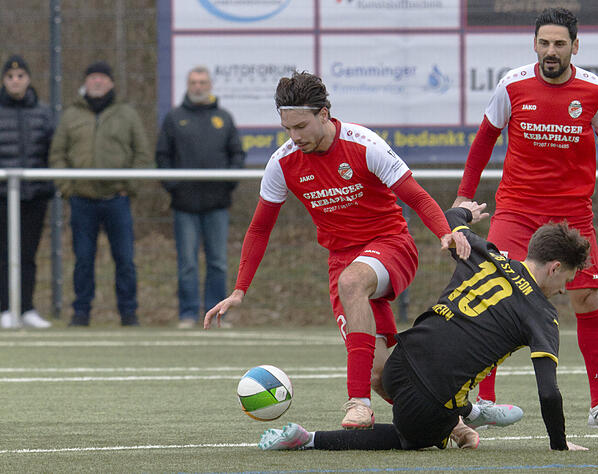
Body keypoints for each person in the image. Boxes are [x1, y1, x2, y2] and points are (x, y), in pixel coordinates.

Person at [204, 71, 475, 430]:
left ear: (324, 114)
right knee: (379, 373)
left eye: (301, 126)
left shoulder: (364, 145)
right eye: (287, 129)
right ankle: (450, 423)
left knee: (352, 284)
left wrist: (445, 231)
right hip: (342, 261)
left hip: (391, 245)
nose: (294, 136)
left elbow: (415, 195)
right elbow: (259, 229)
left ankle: (357, 404)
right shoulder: (282, 164)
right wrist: (240, 289)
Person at [257, 201, 590, 452]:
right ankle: (309, 439)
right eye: (568, 281)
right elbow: (548, 391)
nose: (563, 290)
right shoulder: (541, 314)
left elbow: (452, 217)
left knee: (442, 381)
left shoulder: (487, 254)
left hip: (399, 363)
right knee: (410, 438)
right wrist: (560, 444)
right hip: (430, 402)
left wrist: (466, 218)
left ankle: (469, 413)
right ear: (555, 268)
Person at [452, 7, 598, 429]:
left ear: (575, 46)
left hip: (571, 213)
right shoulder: (511, 85)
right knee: (492, 293)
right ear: (535, 44)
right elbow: (483, 142)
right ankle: (487, 401)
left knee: (586, 298)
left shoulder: (594, 90)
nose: (551, 51)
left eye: (560, 44)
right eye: (544, 43)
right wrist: (464, 195)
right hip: (516, 208)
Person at [49, 61, 152, 327]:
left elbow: (142, 154)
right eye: (92, 77)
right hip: (81, 201)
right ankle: (80, 313)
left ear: (111, 83)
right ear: (85, 82)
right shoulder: (71, 115)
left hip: (117, 200)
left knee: (125, 260)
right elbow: (57, 155)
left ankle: (129, 314)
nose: (97, 82)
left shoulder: (126, 114)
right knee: (83, 260)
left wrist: (128, 187)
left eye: (102, 78)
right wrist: (68, 188)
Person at [156, 66, 246, 329]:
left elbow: (237, 156)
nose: (198, 86)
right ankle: (187, 314)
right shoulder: (174, 118)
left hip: (217, 205)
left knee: (217, 262)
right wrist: (174, 185)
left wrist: (227, 184)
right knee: (187, 264)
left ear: (210, 85)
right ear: (187, 85)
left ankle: (217, 317)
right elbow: (163, 157)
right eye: (193, 82)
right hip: (184, 206)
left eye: (203, 82)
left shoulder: (224, 118)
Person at [0, 54, 55, 329]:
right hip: (1, 196)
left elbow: (52, 151)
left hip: (33, 196)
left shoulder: (44, 112)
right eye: (10, 77)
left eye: (20, 76)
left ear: (29, 79)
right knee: (3, 253)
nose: (15, 81)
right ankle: (4, 308)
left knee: (28, 254)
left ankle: (26, 307)